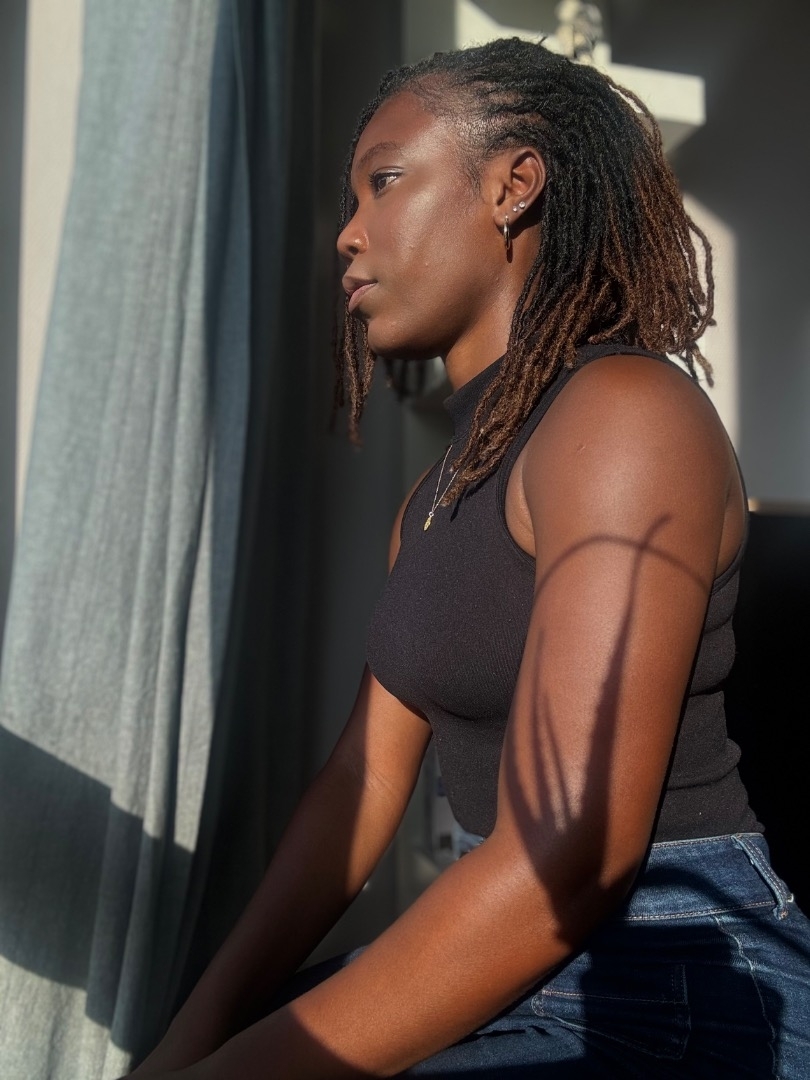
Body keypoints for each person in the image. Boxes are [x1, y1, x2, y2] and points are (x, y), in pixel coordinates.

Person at [127, 38, 810, 1078]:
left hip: (674, 970)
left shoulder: (626, 417)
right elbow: (360, 785)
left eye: (385, 181)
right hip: (511, 951)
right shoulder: (436, 496)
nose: (348, 232)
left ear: (512, 185)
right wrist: (186, 1041)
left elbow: (569, 859)